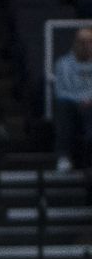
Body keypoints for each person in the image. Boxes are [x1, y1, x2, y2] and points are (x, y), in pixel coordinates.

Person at [52, 27, 92, 172]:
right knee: (63, 107)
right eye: (82, 41)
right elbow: (62, 90)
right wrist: (81, 99)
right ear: (76, 43)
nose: (86, 45)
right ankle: (64, 157)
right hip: (71, 103)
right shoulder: (63, 63)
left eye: (89, 41)